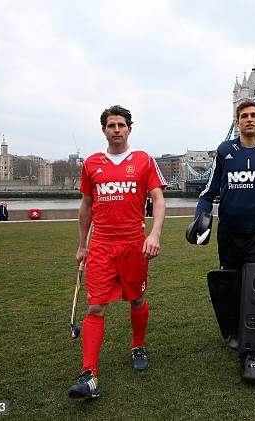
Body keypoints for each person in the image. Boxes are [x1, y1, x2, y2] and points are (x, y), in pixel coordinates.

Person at [188, 100, 255, 385]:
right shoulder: (225, 151)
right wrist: (201, 216)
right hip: (229, 231)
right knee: (234, 283)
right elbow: (209, 190)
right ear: (237, 122)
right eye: (244, 116)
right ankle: (238, 331)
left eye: (254, 116)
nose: (249, 119)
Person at [68, 105, 167, 399]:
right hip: (101, 246)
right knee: (96, 307)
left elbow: (158, 201)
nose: (116, 130)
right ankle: (89, 374)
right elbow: (86, 206)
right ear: (104, 130)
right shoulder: (91, 164)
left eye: (121, 125)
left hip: (134, 244)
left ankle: (138, 345)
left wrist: (155, 234)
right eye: (111, 125)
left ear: (129, 129)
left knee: (136, 299)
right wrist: (82, 245)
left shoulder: (144, 161)